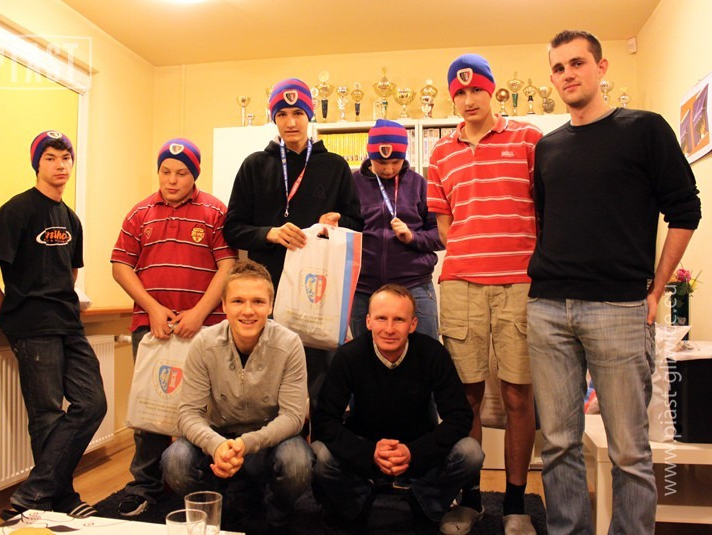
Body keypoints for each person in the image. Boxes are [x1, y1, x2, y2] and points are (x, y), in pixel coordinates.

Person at [528, 30, 701, 534]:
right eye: (558, 67)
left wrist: (657, 289)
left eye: (577, 63)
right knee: (557, 444)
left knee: (628, 450)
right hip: (547, 308)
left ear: (601, 68)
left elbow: (685, 210)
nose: (567, 74)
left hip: (619, 309)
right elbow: (548, 222)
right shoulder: (548, 148)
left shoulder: (644, 129)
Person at [427, 53, 542, 534]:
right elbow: (445, 225)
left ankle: (515, 503)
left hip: (519, 282)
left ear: (492, 90)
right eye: (460, 92)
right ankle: (470, 498)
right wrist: (474, 254)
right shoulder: (440, 153)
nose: (469, 99)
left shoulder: (529, 139)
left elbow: (547, 206)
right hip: (461, 285)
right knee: (465, 397)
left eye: (477, 89)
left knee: (518, 394)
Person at [0, 131, 106, 519]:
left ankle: (34, 492)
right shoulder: (18, 209)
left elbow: (71, 272)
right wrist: (10, 308)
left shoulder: (71, 219)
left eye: (66, 157)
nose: (60, 165)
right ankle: (59, 498)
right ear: (36, 164)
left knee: (92, 404)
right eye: (50, 158)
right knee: (46, 414)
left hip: (69, 324)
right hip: (33, 328)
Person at [110, 138, 237, 516]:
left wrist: (199, 312)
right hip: (152, 328)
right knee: (150, 410)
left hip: (205, 327)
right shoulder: (140, 213)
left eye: (181, 173)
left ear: (194, 175)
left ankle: (207, 479)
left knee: (208, 407)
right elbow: (120, 265)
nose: (171, 179)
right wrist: (152, 308)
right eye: (165, 171)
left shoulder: (215, 211)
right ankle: (144, 485)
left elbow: (228, 266)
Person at [223, 77, 363, 406]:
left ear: (309, 116)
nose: (290, 122)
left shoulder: (335, 166)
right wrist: (269, 233)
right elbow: (233, 228)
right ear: (274, 119)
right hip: (267, 289)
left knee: (320, 383)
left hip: (318, 291)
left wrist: (336, 223)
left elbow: (357, 223)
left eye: (298, 113)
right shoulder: (254, 165)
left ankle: (316, 439)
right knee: (269, 381)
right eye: (282, 114)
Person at [311, 284, 485, 534]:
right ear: (368, 321)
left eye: (399, 320)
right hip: (365, 452)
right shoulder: (349, 356)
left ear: (413, 324)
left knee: (471, 453)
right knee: (321, 455)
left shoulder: (432, 353)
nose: (390, 328)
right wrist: (369, 452)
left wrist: (413, 452)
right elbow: (325, 420)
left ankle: (424, 501)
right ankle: (357, 503)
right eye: (381, 318)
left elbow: (460, 417)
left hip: (418, 452)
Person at [161, 260, 313, 532]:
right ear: (224, 305)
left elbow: (293, 417)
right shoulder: (203, 344)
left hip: (268, 440)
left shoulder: (290, 344)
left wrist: (246, 443)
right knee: (175, 461)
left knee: (298, 463)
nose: (248, 311)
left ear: (271, 306)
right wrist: (217, 445)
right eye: (238, 301)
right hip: (217, 440)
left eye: (258, 301)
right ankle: (217, 509)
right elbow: (187, 414)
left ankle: (276, 515)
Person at [350, 119, 442, 340]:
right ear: (369, 155)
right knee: (365, 353)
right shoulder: (352, 184)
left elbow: (441, 235)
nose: (389, 169)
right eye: (381, 162)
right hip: (363, 287)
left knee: (425, 351)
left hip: (414, 284)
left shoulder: (419, 184)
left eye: (396, 162)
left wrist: (413, 237)